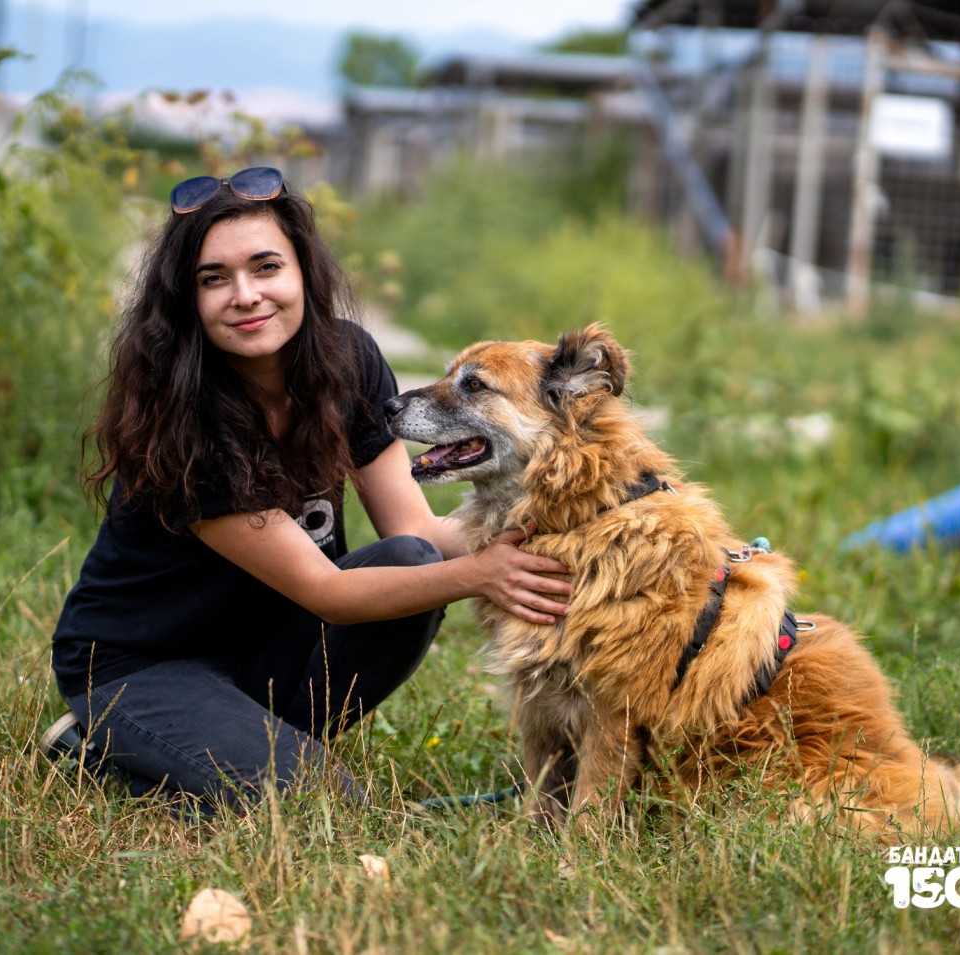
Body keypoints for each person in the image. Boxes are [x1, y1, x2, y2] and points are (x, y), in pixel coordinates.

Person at [40, 167, 571, 812]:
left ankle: (244, 744)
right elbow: (330, 592)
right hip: (144, 667)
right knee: (319, 801)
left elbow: (420, 534)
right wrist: (482, 574)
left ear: (302, 274)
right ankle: (103, 745)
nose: (245, 295)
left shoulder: (348, 362)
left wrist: (573, 529)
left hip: (270, 646)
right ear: (187, 300)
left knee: (411, 563)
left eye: (266, 267)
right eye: (214, 279)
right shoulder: (184, 417)